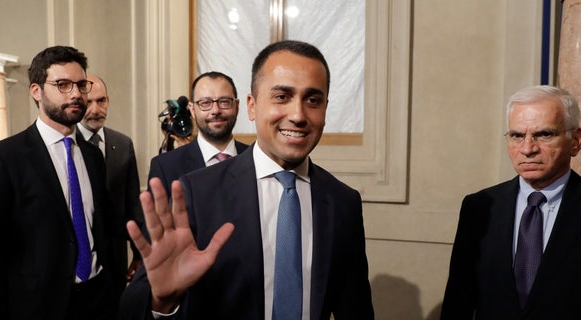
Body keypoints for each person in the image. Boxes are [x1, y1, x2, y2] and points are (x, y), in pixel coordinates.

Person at [119, 40, 374, 319]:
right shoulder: (197, 191)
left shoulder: (343, 201)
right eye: (282, 97)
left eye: (313, 100)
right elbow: (132, 308)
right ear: (252, 106)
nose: (298, 115)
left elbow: (356, 307)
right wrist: (162, 301)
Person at [0, 46, 122, 320]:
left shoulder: (92, 155)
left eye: (80, 84)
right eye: (62, 85)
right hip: (38, 307)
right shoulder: (3, 160)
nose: (76, 93)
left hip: (98, 301)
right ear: (36, 91)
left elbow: (101, 230)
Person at [441, 85, 581, 319]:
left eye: (544, 134)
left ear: (575, 140)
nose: (528, 149)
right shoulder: (479, 206)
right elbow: (459, 299)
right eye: (517, 136)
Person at [77, 74, 144, 283]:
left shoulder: (123, 143)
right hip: (80, 261)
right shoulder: (67, 145)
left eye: (101, 101)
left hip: (116, 258)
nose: (96, 110)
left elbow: (133, 204)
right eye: (88, 103)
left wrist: (139, 253)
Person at [148, 71, 248, 195]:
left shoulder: (256, 158)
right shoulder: (165, 167)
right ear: (192, 109)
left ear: (237, 106)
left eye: (224, 101)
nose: (215, 110)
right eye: (205, 103)